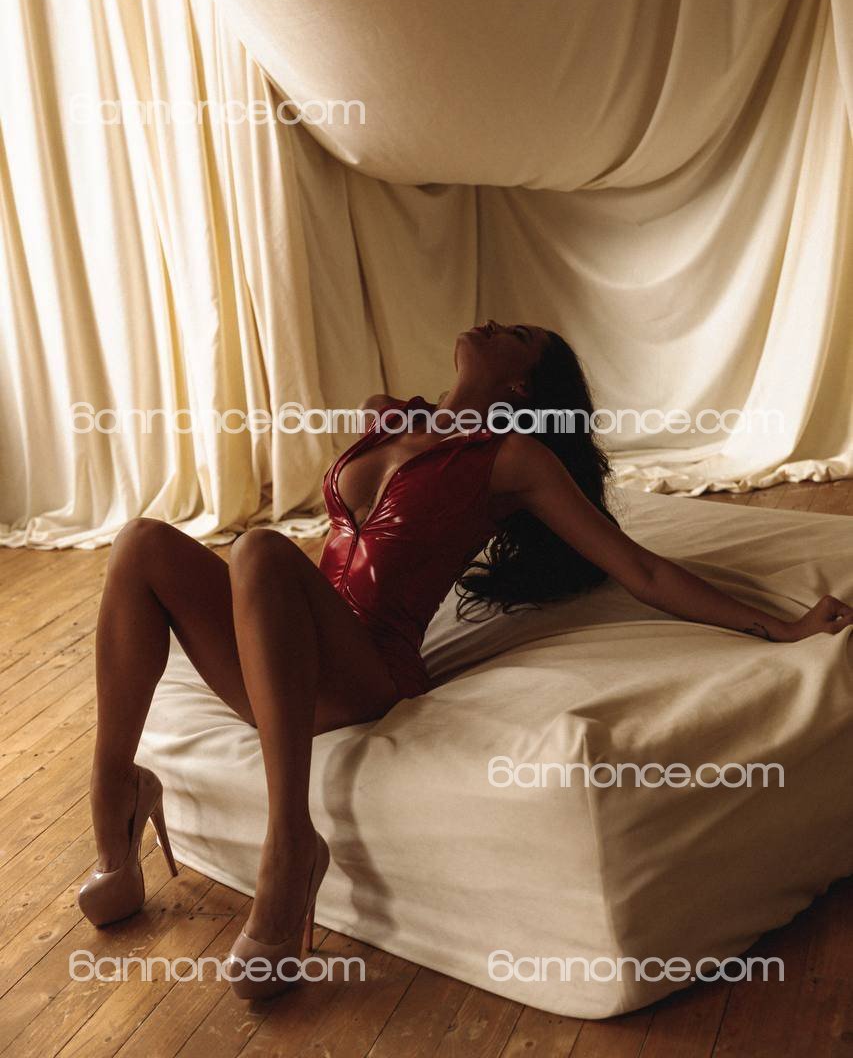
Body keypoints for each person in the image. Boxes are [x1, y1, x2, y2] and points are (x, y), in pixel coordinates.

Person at [76, 320, 853, 998]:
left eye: (514, 334)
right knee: (141, 541)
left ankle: (291, 847)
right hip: (276, 660)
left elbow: (640, 570)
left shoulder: (513, 461)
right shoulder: (388, 418)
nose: (488, 323)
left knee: (257, 550)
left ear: (520, 385)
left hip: (366, 672)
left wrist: (778, 628)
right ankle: (117, 800)